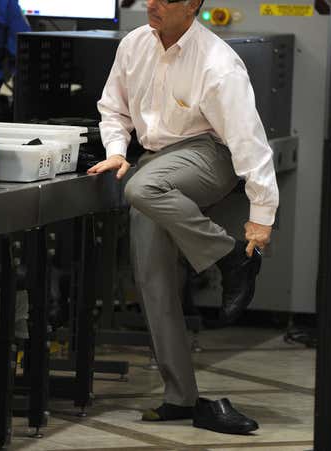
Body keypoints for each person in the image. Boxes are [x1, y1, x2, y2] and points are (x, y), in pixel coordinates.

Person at [88, 0, 279, 435]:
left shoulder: (218, 63)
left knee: (140, 188)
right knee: (152, 280)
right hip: (156, 159)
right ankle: (180, 396)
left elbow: (249, 142)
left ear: (192, 5)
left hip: (210, 155)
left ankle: (231, 256)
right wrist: (117, 150)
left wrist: (261, 216)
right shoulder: (134, 44)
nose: (152, 3)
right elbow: (112, 107)